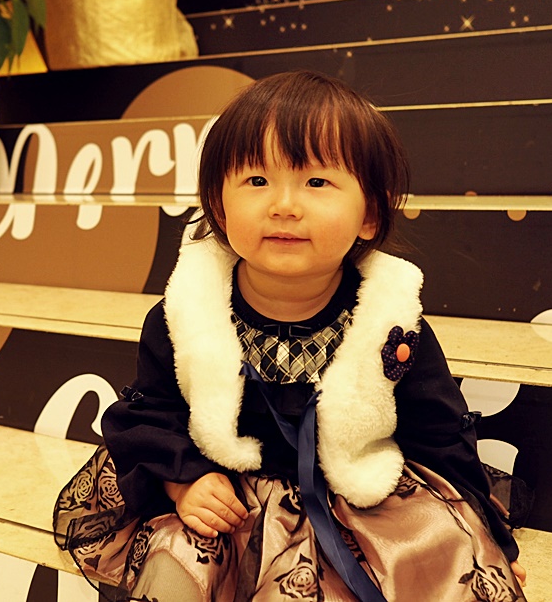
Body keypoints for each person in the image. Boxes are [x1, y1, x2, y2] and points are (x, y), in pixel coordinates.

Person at [54, 71, 527, 601]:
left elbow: (440, 436)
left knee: (438, 551)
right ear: (218, 206)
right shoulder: (188, 313)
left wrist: (489, 542)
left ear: (370, 214)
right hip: (229, 502)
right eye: (257, 181)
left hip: (357, 496)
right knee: (174, 563)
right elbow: (152, 415)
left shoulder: (390, 323)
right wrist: (182, 481)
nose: (283, 204)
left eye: (316, 183)